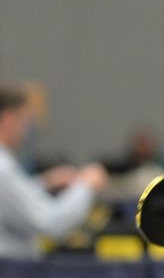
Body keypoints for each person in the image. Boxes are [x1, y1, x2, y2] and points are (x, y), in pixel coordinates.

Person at [0, 85, 109, 259]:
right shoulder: (3, 169)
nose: (25, 131)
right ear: (8, 118)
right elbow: (51, 222)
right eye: (23, 121)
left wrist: (45, 182)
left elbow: (10, 204)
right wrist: (87, 185)